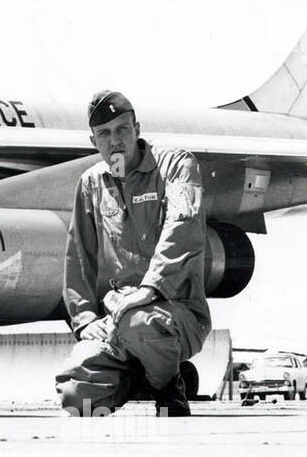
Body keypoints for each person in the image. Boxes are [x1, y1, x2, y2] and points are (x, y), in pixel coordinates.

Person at [56, 90, 210, 417]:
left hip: (175, 312)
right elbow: (78, 258)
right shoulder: (91, 184)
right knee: (75, 400)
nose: (115, 140)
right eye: (104, 134)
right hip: (116, 320)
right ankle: (140, 375)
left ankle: (169, 384)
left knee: (139, 322)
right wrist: (85, 321)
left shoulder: (176, 165)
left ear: (137, 129)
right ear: (93, 140)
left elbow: (183, 226)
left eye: (122, 129)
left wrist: (149, 289)